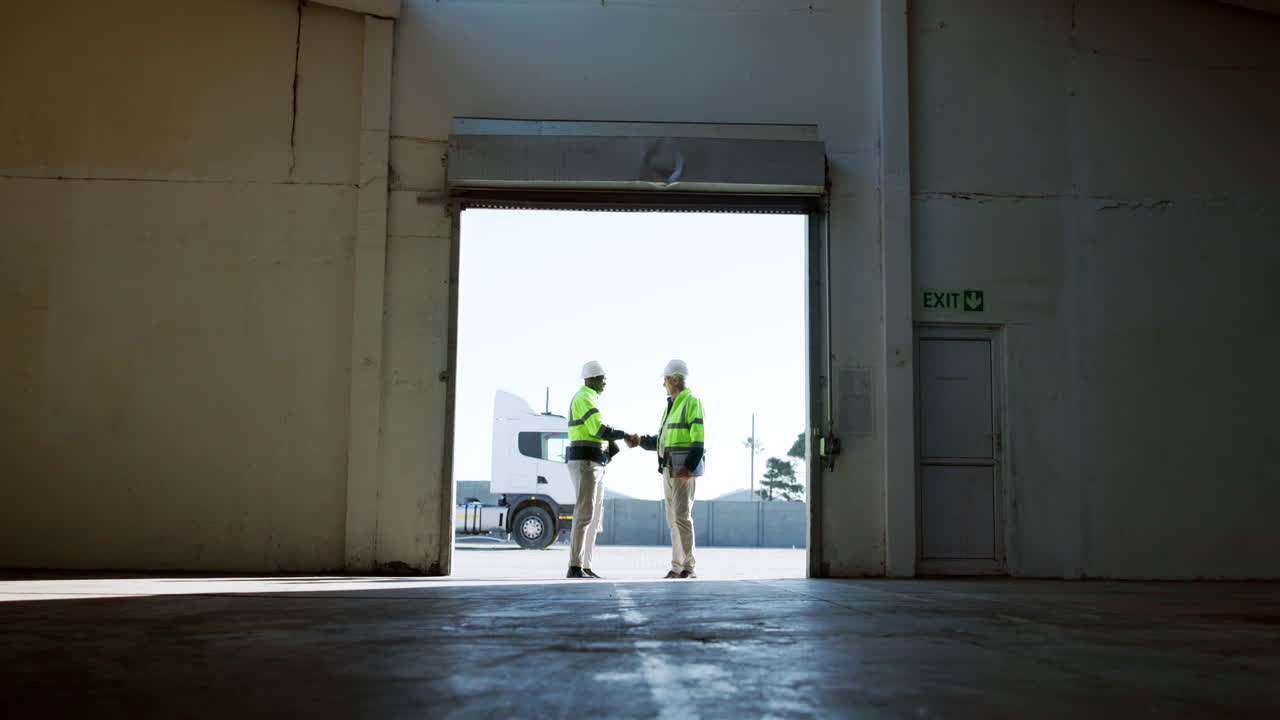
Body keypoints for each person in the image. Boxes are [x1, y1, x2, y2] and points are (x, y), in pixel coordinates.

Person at [627, 359, 705, 579]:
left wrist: (689, 467)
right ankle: (677, 566)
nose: (663, 385)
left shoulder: (691, 401)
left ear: (674, 379)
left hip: (682, 470)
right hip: (669, 469)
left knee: (682, 516)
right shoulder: (671, 406)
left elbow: (699, 440)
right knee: (673, 519)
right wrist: (640, 440)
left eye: (665, 380)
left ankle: (689, 567)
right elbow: (661, 442)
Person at [565, 361, 632, 580]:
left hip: (596, 462)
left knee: (593, 517)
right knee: (585, 513)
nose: (605, 381)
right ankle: (574, 566)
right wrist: (624, 435)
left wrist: (610, 449)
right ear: (591, 378)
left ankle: (585, 565)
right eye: (602, 377)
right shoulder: (584, 397)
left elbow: (597, 432)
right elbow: (598, 429)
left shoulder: (591, 399)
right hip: (585, 462)